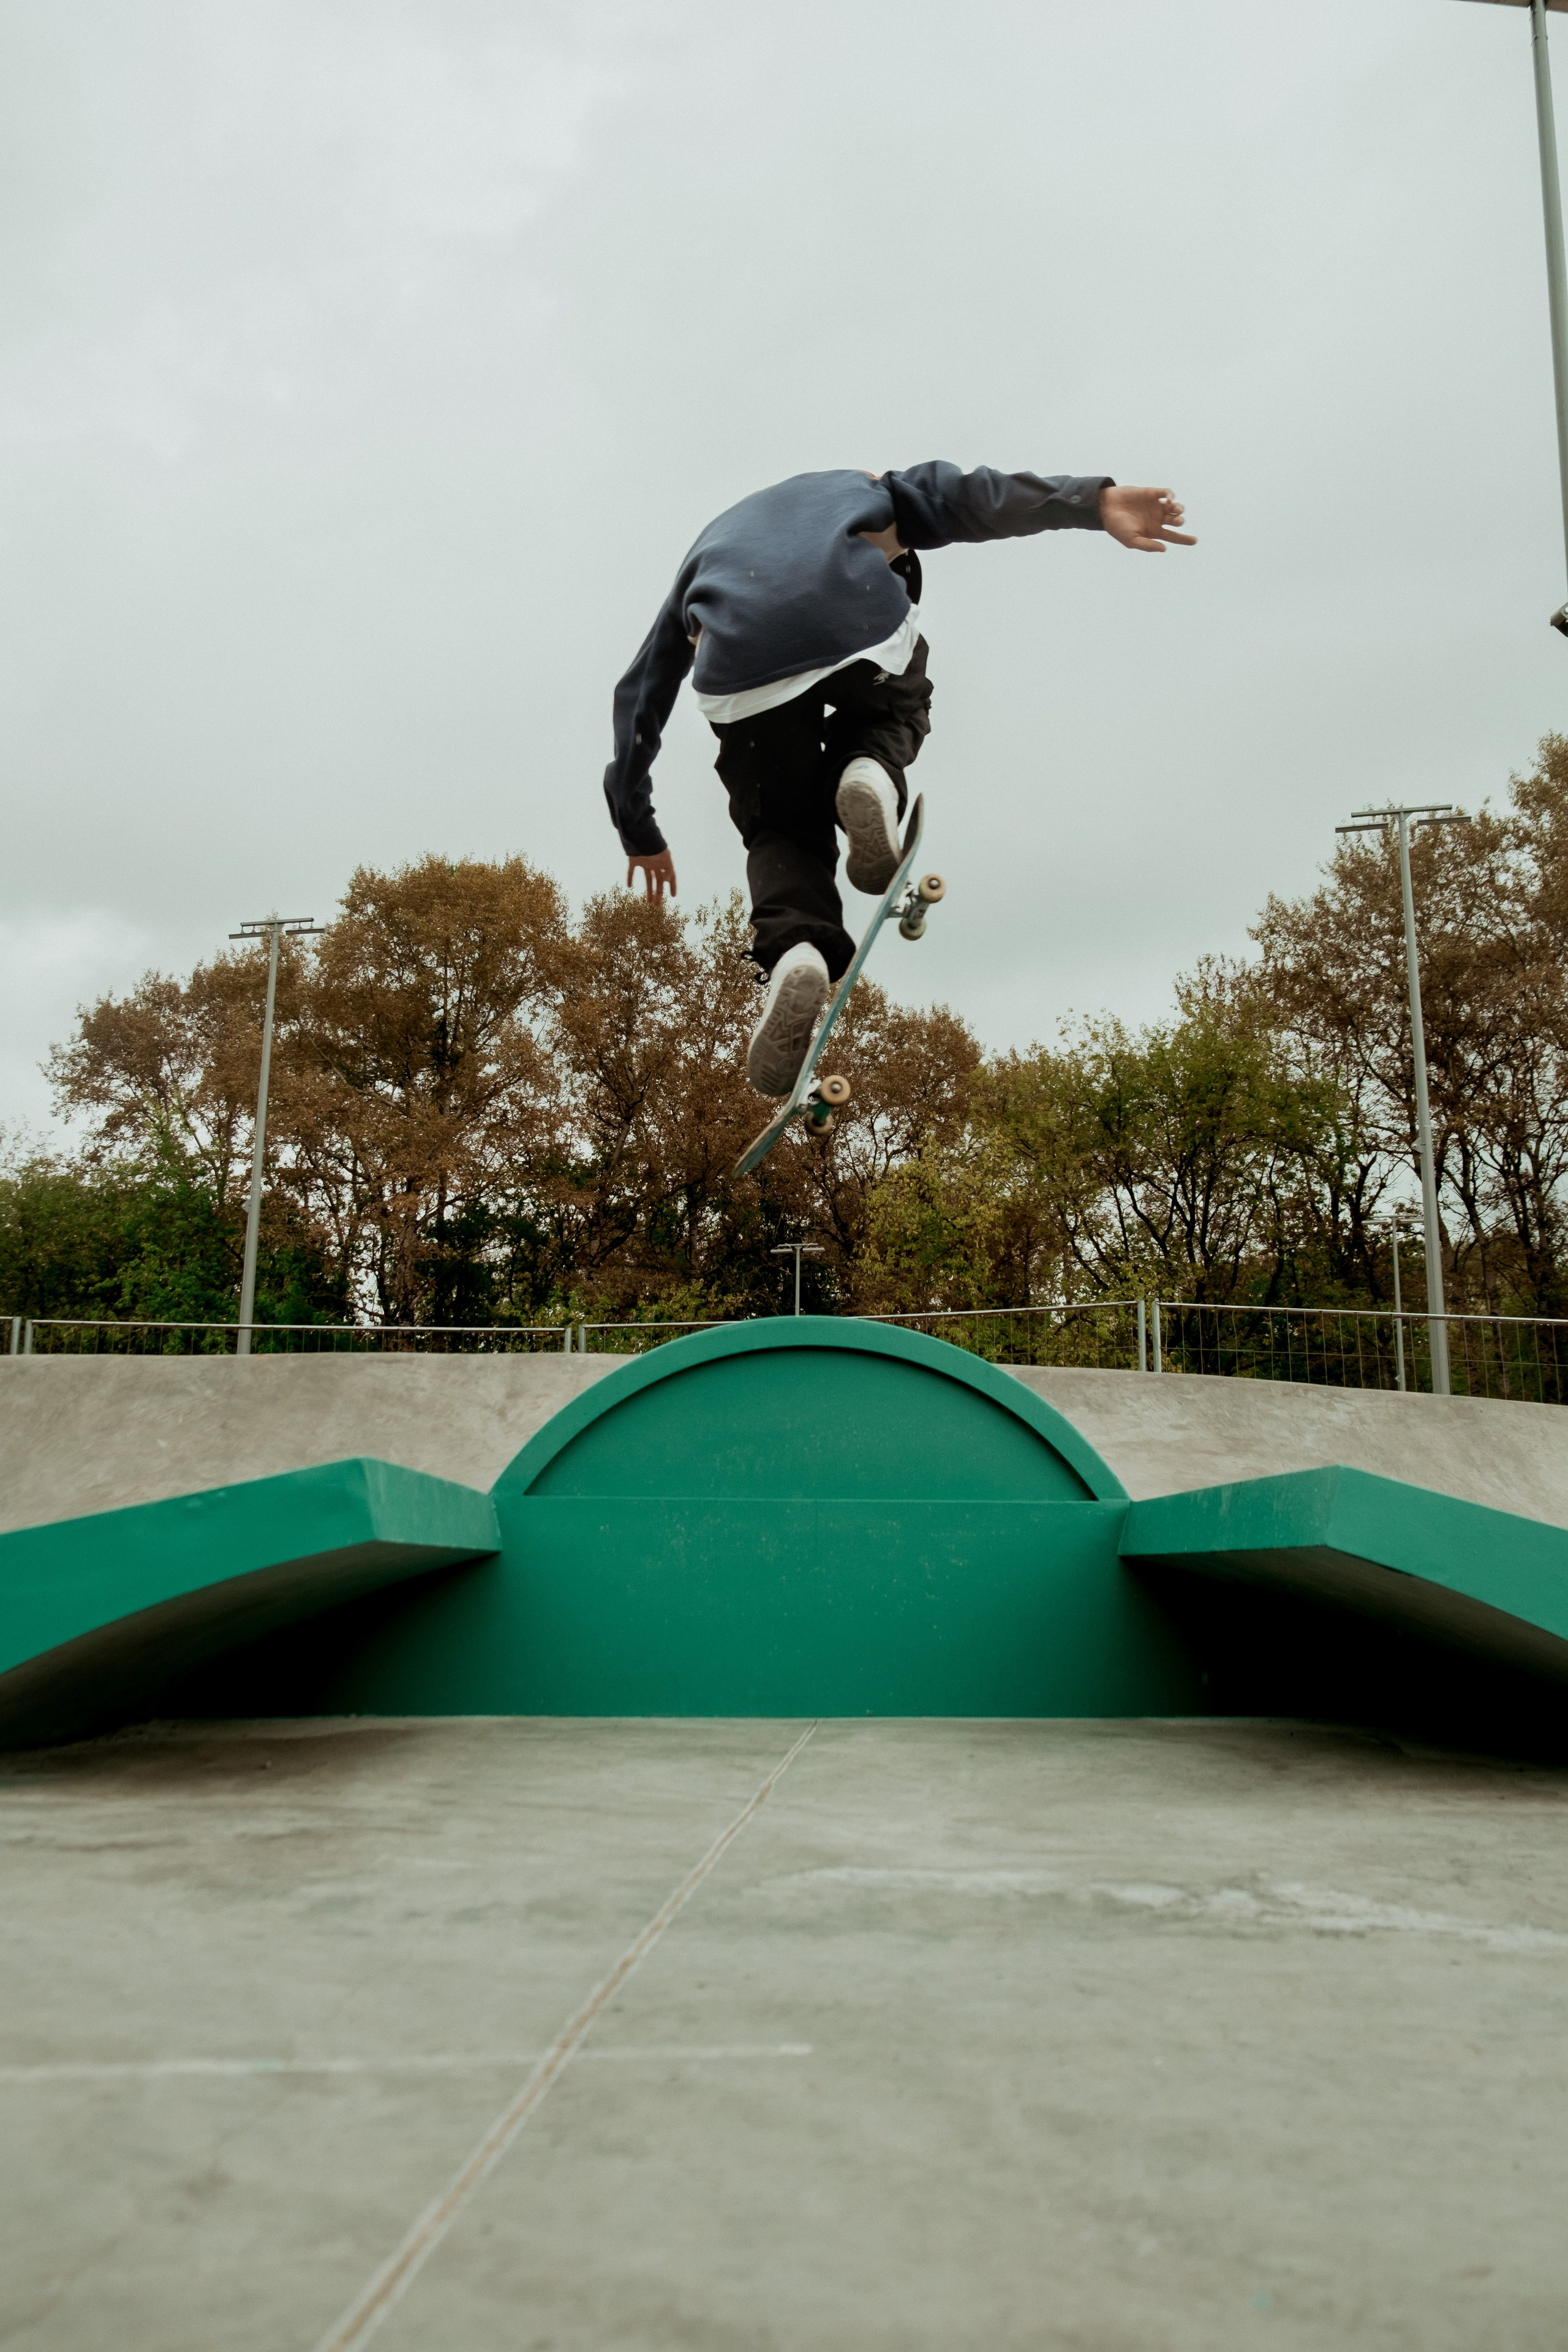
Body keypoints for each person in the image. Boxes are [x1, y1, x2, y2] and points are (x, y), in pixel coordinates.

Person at [601, 464, 1194, 1095]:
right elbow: (974, 498)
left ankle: (795, 951)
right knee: (897, 706)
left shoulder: (709, 554)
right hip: (855, 629)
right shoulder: (870, 487)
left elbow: (641, 694)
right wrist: (1092, 502)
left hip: (740, 670)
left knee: (780, 824)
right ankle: (871, 770)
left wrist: (636, 825)